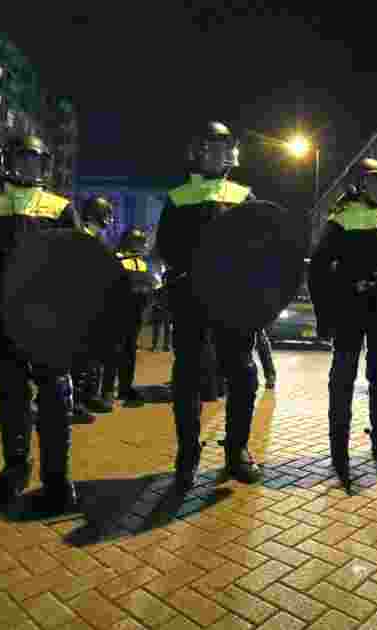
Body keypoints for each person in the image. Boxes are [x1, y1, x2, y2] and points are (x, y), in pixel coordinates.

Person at [0, 133, 81, 514]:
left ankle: (57, 478)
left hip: (50, 322)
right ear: (8, 162)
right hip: (5, 319)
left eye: (36, 161)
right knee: (11, 395)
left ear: (44, 166)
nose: (29, 168)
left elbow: (78, 263)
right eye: (22, 160)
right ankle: (16, 468)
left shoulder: (61, 208)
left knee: (56, 397)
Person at [155, 121, 262, 491]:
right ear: (198, 153)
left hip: (234, 301)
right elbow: (166, 246)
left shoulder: (243, 195)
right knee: (187, 376)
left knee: (245, 373)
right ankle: (187, 453)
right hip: (191, 299)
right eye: (211, 148)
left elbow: (259, 244)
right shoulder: (179, 196)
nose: (218, 154)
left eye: (223, 148)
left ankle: (237, 450)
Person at [310, 157, 377, 491]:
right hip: (350, 309)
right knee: (343, 379)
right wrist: (327, 313)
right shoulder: (341, 217)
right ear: (361, 184)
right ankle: (339, 450)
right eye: (376, 181)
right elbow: (319, 268)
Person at [98, 227, 152, 410]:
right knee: (113, 354)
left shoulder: (141, 264)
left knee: (129, 352)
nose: (141, 246)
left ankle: (125, 387)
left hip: (135, 316)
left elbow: (145, 287)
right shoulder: (117, 259)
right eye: (138, 242)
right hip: (117, 315)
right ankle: (107, 391)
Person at [75, 195, 115, 416]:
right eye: (105, 213)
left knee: (95, 356)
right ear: (94, 214)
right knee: (80, 358)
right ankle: (76, 402)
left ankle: (90, 396)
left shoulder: (98, 238)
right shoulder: (80, 236)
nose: (109, 218)